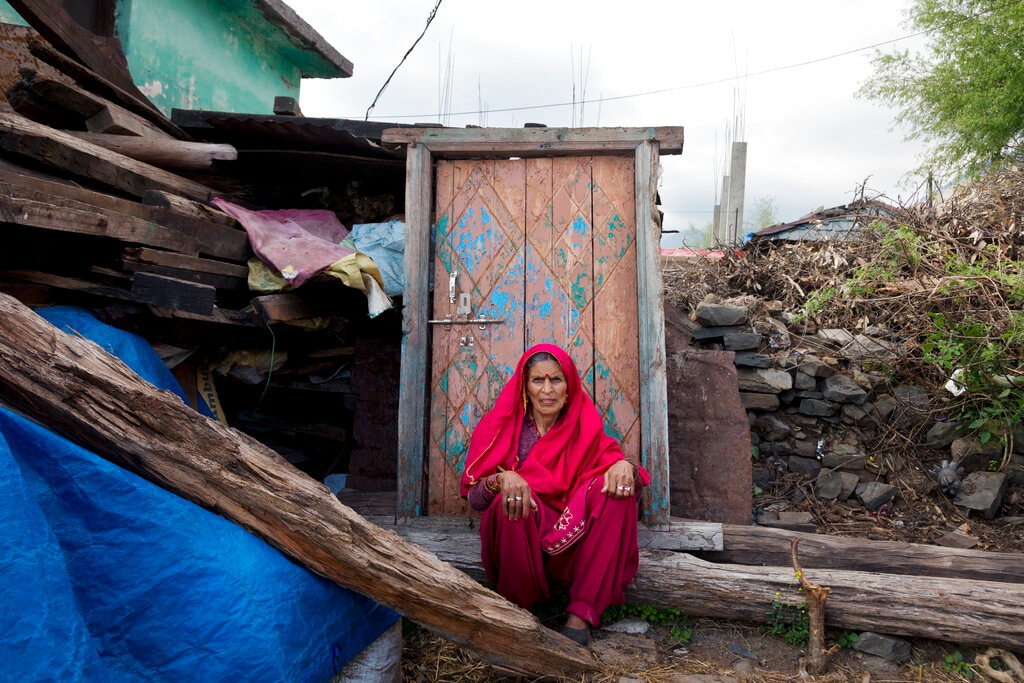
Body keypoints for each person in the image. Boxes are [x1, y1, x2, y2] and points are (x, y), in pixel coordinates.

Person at [461, 343, 650, 646]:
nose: (547, 389)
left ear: (568, 388)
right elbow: (475, 499)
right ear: (525, 387)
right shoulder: (503, 429)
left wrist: (623, 466)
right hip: (525, 534)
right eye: (538, 380)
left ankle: (580, 616)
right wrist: (502, 478)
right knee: (507, 503)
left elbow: (625, 474)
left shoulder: (583, 428)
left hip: (578, 543)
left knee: (616, 492)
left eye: (556, 380)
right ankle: (517, 610)